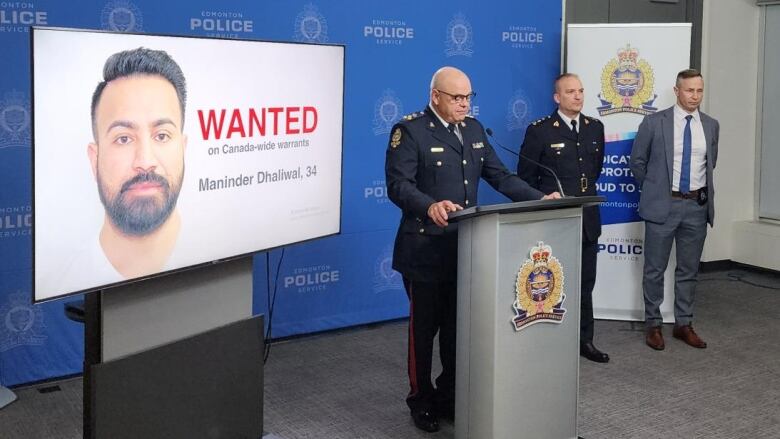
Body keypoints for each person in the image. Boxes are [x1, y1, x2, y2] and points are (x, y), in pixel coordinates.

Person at [385, 66, 560, 433]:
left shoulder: (474, 130)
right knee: (424, 331)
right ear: (436, 97)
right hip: (425, 249)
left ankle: (448, 395)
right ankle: (420, 399)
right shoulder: (410, 130)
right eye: (457, 97)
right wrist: (429, 205)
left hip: (466, 248)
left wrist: (541, 198)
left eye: (468, 97)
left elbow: (500, 176)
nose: (465, 104)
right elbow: (398, 185)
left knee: (456, 329)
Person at [517, 73, 609, 364]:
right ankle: (548, 342)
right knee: (548, 284)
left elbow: (595, 171)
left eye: (581, 90)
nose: (578, 96)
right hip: (553, 221)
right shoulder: (540, 131)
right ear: (557, 97)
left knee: (585, 283)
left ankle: (584, 340)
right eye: (571, 92)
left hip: (587, 218)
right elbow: (525, 178)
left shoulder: (595, 128)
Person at [630, 69, 718, 351]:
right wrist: (657, 189)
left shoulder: (711, 125)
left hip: (696, 207)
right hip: (662, 205)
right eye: (690, 90)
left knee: (688, 270)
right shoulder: (655, 122)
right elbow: (637, 162)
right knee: (654, 269)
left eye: (700, 91)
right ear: (677, 90)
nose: (695, 96)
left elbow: (710, 164)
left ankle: (683, 324)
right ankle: (653, 325)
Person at [86, 47, 188, 279]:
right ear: (94, 159)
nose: (145, 161)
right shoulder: (66, 276)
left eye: (162, 136)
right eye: (123, 139)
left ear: (184, 149)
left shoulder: (216, 244)